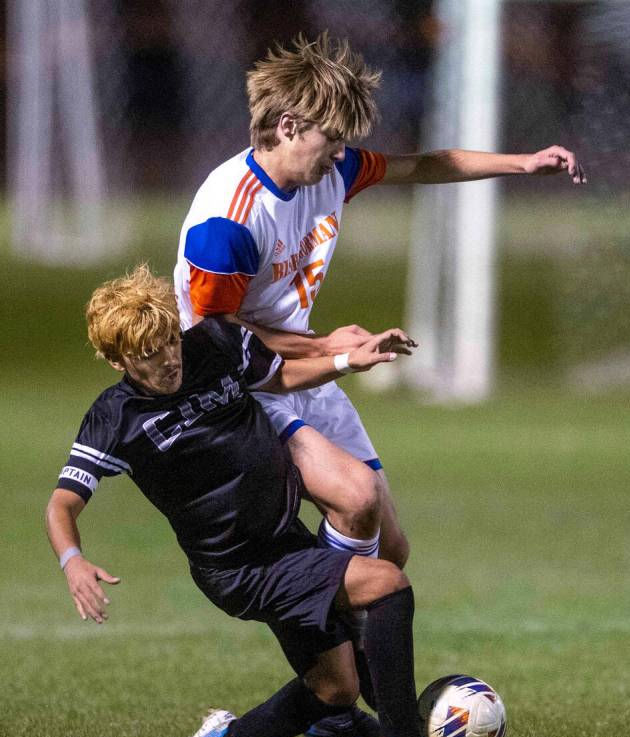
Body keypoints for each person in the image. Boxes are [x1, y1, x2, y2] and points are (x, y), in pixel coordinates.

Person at [173, 32, 587, 574]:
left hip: (303, 368)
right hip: (243, 387)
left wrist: (524, 164)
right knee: (356, 498)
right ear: (289, 127)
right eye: (334, 139)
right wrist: (325, 346)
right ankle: (327, 643)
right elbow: (215, 339)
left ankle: (332, 643)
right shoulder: (226, 223)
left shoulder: (330, 172)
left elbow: (421, 165)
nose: (344, 154)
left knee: (391, 550)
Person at [45, 265, 452, 737]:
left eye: (170, 340)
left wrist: (345, 360)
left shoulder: (215, 342)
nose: (169, 359)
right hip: (240, 569)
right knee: (386, 582)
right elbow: (62, 502)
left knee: (333, 689)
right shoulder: (114, 417)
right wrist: (72, 561)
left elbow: (278, 377)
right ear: (116, 360)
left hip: (285, 539)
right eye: (149, 354)